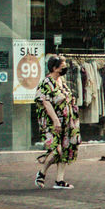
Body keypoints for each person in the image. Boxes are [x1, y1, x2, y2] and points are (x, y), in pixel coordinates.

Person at [35, 55, 80, 189]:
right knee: (56, 151)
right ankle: (42, 173)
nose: (65, 67)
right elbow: (45, 102)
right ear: (54, 68)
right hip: (52, 123)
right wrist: (55, 121)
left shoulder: (62, 81)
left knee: (66, 149)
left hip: (68, 122)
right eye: (62, 65)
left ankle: (60, 180)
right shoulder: (46, 82)